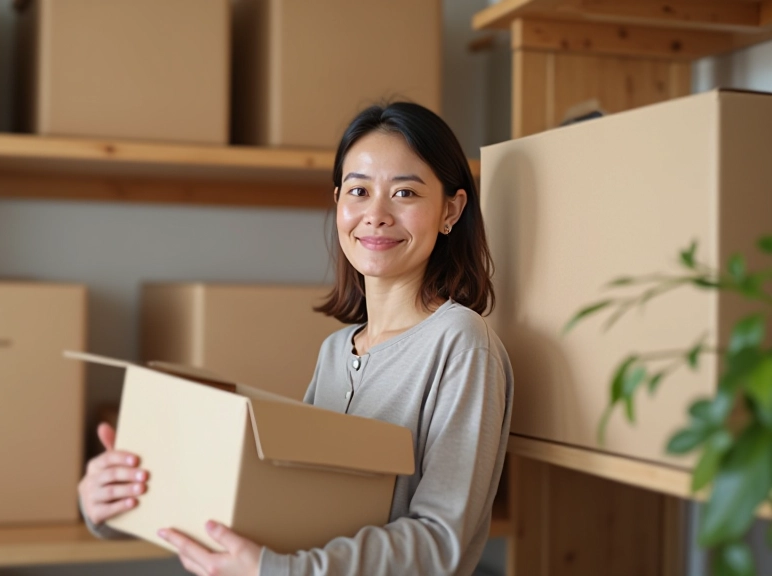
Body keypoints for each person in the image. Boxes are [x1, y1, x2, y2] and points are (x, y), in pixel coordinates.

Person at [77, 102, 513, 576]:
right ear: (338, 202)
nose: (376, 214)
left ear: (451, 208)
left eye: (405, 192)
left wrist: (275, 570)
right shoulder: (337, 351)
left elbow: (438, 543)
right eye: (359, 191)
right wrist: (118, 501)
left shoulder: (462, 343)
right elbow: (293, 506)